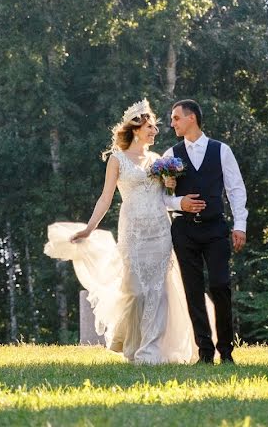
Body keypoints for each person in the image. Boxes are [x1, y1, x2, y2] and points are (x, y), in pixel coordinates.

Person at [44, 99, 198, 364]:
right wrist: (89, 229)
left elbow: (166, 195)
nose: (155, 131)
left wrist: (170, 183)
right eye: (150, 127)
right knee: (136, 291)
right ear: (136, 128)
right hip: (133, 231)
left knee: (159, 293)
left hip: (160, 229)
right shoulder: (117, 159)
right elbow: (105, 199)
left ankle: (151, 351)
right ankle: (132, 343)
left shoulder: (159, 160)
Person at [163, 99, 248, 364]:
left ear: (191, 119)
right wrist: (180, 203)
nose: (172, 123)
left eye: (176, 118)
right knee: (193, 290)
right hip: (184, 231)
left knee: (221, 285)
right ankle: (205, 352)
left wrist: (240, 226)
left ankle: (226, 350)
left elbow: (236, 190)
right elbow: (160, 197)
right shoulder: (170, 154)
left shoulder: (221, 151)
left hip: (215, 229)